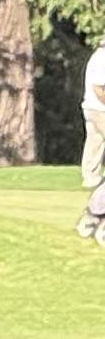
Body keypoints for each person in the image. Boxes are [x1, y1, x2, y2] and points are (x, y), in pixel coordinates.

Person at [80, 42, 105, 244]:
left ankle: (91, 217)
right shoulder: (102, 57)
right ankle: (96, 217)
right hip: (101, 112)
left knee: (94, 169)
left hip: (95, 112)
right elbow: (99, 89)